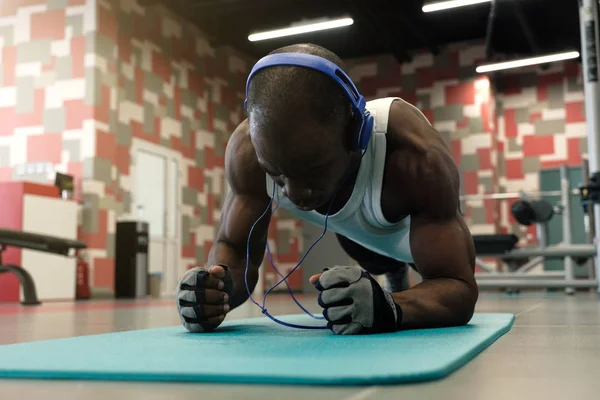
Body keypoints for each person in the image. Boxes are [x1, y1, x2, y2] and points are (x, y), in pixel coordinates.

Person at [176, 43, 477, 335]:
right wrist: (217, 291)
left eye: (314, 171)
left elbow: (458, 288)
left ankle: (395, 269)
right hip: (357, 233)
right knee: (358, 245)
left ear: (356, 132)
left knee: (377, 249)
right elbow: (234, 249)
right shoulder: (249, 154)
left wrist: (390, 306)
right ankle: (388, 269)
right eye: (276, 174)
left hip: (406, 234)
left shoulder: (414, 156)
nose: (294, 193)